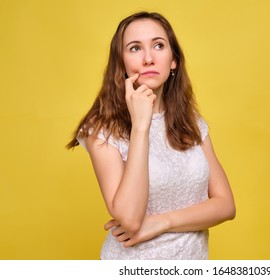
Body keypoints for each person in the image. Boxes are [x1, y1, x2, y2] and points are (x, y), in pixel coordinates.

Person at [67, 11, 235, 260]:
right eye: (135, 48)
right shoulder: (101, 130)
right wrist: (141, 126)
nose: (148, 58)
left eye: (158, 45)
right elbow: (130, 219)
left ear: (173, 60)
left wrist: (161, 223)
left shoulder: (193, 124)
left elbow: (226, 205)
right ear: (121, 63)